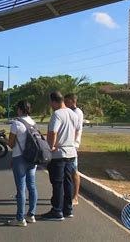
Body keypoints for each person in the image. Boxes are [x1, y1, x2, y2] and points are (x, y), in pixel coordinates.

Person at [39, 91, 80, 221]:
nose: (51, 105)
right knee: (68, 182)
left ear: (54, 101)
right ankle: (67, 209)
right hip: (71, 151)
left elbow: (52, 132)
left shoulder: (57, 114)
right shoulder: (73, 114)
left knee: (57, 183)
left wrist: (50, 147)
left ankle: (57, 210)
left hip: (59, 154)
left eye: (51, 103)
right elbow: (77, 130)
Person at [6, 100, 38, 226]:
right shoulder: (33, 122)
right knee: (32, 186)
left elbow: (11, 143)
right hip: (32, 158)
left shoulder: (16, 123)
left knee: (20, 189)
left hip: (19, 158)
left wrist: (5, 140)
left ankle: (20, 218)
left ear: (19, 109)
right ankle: (31, 215)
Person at [64, 93, 84, 205]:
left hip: (72, 146)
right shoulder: (69, 112)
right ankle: (68, 195)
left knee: (74, 171)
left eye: (67, 101)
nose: (65, 103)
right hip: (67, 145)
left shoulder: (77, 113)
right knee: (68, 171)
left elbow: (76, 129)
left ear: (72, 101)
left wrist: (73, 143)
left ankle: (75, 197)